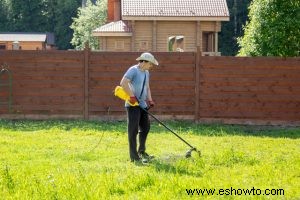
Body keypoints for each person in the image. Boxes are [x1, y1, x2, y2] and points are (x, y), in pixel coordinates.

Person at [120, 52, 159, 164]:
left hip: (142, 104)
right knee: (133, 130)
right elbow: (123, 83)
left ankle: (141, 151)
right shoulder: (133, 70)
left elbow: (147, 87)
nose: (151, 66)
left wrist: (150, 100)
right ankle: (134, 157)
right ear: (144, 62)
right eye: (150, 64)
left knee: (145, 127)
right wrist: (132, 96)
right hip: (132, 104)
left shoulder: (146, 72)